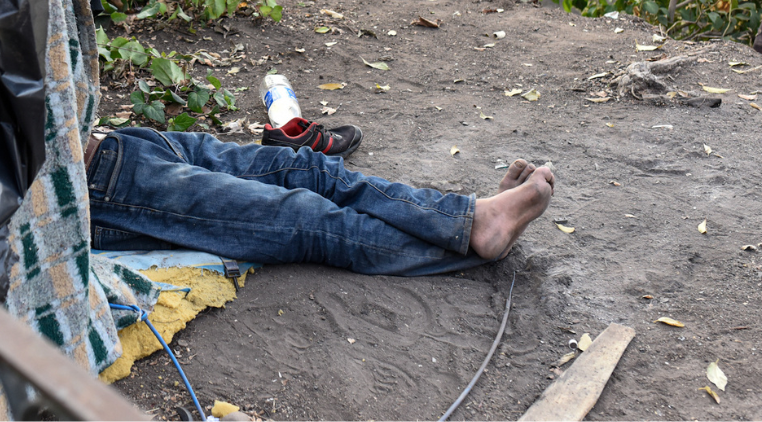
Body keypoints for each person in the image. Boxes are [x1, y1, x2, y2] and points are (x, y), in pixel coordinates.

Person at [83, 124, 554, 276]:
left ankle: (466, 219)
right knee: (305, 218)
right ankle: (476, 239)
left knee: (307, 168)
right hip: (96, 190)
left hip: (117, 144)